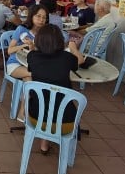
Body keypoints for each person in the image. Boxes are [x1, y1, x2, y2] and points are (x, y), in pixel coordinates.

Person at [27, 24, 84, 154]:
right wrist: (73, 48)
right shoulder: (67, 58)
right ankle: (60, 149)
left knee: (46, 104)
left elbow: (33, 65)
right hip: (66, 123)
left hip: (36, 118)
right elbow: (80, 60)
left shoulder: (32, 57)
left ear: (38, 40)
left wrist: (32, 49)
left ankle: (44, 145)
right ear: (60, 41)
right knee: (57, 104)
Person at [5, 4, 49, 120]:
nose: (41, 20)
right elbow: (10, 50)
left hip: (32, 65)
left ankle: (23, 112)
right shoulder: (21, 29)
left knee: (29, 80)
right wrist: (25, 44)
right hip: (15, 64)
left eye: (44, 17)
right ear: (32, 16)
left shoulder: (45, 34)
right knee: (36, 76)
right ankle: (27, 112)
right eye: (38, 16)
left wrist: (34, 47)